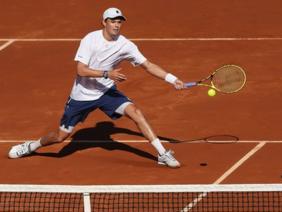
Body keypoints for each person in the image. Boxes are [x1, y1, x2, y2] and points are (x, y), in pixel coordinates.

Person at [8, 7, 183, 168]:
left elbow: (148, 65)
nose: (116, 25)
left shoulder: (126, 45)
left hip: (106, 92)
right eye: (113, 21)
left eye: (119, 22)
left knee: (135, 112)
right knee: (60, 137)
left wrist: (171, 78)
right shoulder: (90, 39)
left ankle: (162, 153)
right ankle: (32, 146)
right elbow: (81, 70)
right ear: (104, 22)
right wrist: (107, 74)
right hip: (81, 96)